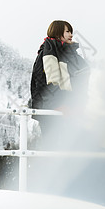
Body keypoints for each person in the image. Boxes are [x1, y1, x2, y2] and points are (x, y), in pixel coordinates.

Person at [30, 20, 90, 148]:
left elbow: (82, 79)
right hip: (51, 110)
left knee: (71, 147)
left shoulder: (72, 55)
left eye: (71, 32)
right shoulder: (47, 53)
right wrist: (57, 105)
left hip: (71, 109)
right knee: (52, 147)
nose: (71, 35)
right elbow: (42, 84)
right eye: (67, 31)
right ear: (57, 33)